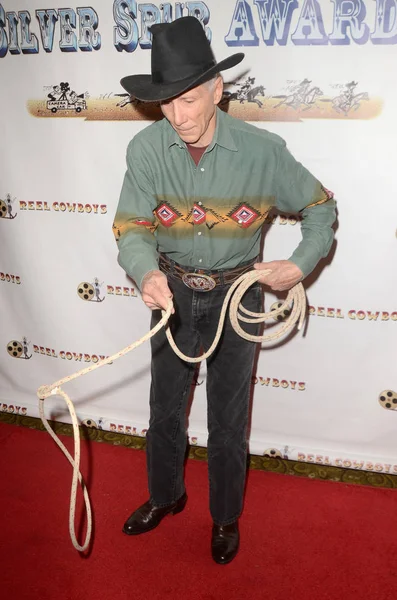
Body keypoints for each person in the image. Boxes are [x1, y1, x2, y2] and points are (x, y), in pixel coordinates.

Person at [113, 16, 336, 565]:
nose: (178, 117)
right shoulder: (145, 149)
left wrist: (298, 265)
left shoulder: (263, 150)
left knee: (228, 418)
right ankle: (165, 495)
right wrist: (146, 272)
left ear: (217, 89)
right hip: (172, 291)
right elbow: (132, 226)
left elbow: (320, 207)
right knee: (164, 407)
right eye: (166, 103)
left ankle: (225, 516)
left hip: (239, 294)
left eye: (189, 100)